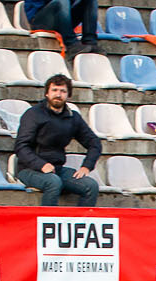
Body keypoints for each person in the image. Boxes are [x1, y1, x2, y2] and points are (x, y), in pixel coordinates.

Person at [13, 74, 102, 205]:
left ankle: (81, 224)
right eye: (54, 90)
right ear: (47, 94)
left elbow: (94, 143)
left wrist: (86, 166)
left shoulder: (73, 117)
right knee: (53, 182)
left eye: (63, 91)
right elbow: (21, 146)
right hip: (29, 170)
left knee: (90, 185)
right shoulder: (33, 114)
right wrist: (41, 165)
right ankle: (47, 223)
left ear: (68, 95)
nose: (58, 94)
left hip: (57, 169)